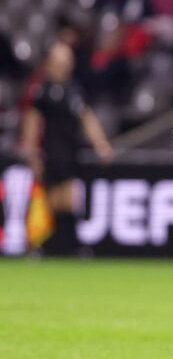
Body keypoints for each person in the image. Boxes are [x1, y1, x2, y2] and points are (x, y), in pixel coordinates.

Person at [19, 41, 113, 254]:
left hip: (71, 152)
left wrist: (100, 144)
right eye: (61, 60)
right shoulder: (41, 91)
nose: (65, 64)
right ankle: (45, 244)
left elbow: (86, 118)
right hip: (50, 152)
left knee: (68, 198)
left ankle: (63, 245)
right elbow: (32, 123)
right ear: (51, 63)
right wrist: (31, 153)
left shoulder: (74, 90)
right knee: (53, 199)